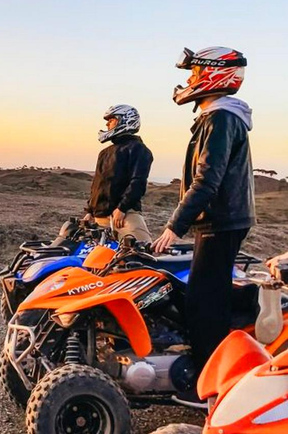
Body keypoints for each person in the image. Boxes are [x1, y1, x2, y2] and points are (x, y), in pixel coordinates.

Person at [151, 46, 256, 408]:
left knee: (204, 303)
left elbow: (207, 180)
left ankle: (209, 388)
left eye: (196, 73)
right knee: (204, 294)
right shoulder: (216, 117)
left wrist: (174, 227)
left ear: (214, 75)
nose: (190, 80)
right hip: (219, 219)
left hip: (222, 219)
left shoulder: (222, 118)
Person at [83, 104, 154, 243]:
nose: (108, 124)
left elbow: (138, 182)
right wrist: (89, 212)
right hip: (100, 218)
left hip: (125, 216)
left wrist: (122, 208)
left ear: (125, 119)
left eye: (111, 120)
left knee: (143, 254)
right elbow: (97, 185)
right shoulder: (104, 153)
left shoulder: (139, 149)